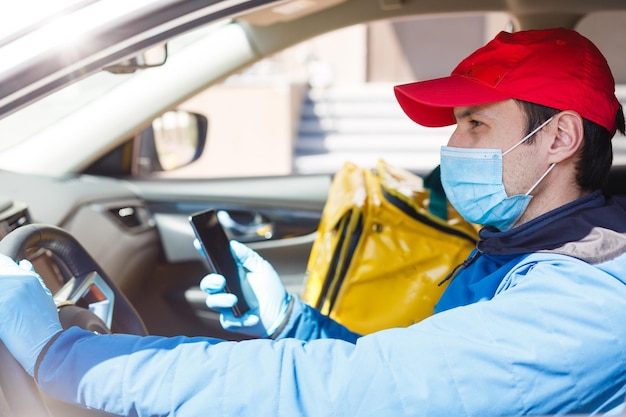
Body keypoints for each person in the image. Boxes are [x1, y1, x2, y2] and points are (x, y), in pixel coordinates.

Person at [1, 27, 626, 417]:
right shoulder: (517, 256)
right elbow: (425, 384)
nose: (452, 147)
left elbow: (361, 394)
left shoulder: (587, 299)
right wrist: (289, 322)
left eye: (476, 124)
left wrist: (62, 354)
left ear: (558, 137)